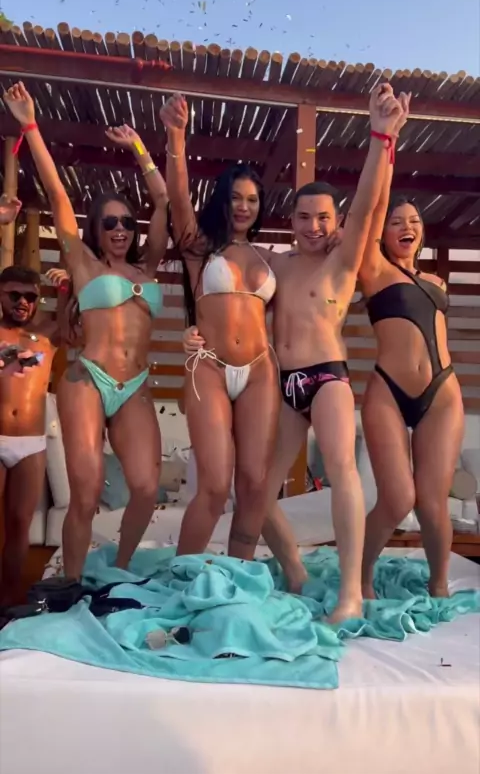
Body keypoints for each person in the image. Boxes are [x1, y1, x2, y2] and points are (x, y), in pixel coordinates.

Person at [183, 84, 407, 621]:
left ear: (337, 221)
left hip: (326, 378)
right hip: (281, 385)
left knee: (342, 469)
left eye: (324, 217)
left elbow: (371, 204)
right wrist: (196, 333)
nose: (314, 227)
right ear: (291, 220)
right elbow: (227, 287)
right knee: (257, 492)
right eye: (304, 217)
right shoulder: (274, 263)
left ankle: (350, 593)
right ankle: (295, 570)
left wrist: (381, 137)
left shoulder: (342, 260)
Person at [4, 82, 169, 580]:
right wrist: (31, 126)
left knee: (146, 488)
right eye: (109, 222)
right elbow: (57, 193)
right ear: (95, 228)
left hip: (135, 383)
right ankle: (73, 582)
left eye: (126, 223)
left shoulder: (148, 268)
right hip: (87, 378)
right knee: (87, 492)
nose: (119, 229)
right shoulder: (83, 264)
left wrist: (140, 148)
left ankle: (118, 569)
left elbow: (162, 200)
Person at [160, 95, 282, 561]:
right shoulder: (200, 246)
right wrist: (176, 137)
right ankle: (182, 575)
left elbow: (318, 278)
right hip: (208, 365)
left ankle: (239, 573)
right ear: (222, 200)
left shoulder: (269, 258)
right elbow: (177, 197)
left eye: (252, 199)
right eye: (236, 197)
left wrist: (333, 237)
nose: (244, 207)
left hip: (260, 369)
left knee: (254, 482)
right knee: (214, 483)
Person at [359, 169, 463, 597]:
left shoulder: (436, 281)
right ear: (383, 233)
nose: (407, 227)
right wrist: (385, 149)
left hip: (442, 392)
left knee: (432, 502)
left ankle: (439, 585)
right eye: (397, 221)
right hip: (388, 389)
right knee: (398, 498)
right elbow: (370, 210)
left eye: (415, 221)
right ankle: (360, 578)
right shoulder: (373, 268)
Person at [0, 253, 72, 604]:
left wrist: (66, 286)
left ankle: (9, 603)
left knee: (20, 526)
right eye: (14, 295)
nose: (23, 302)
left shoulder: (48, 333)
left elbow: (76, 320)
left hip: (31, 443)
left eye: (30, 296)